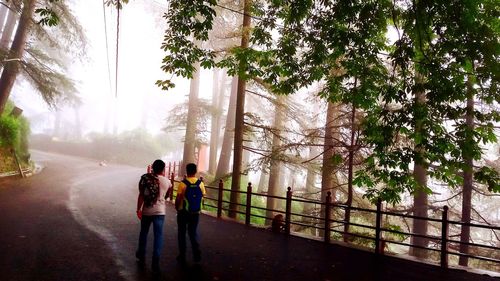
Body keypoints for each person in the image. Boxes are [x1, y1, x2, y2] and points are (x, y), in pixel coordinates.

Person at [135, 159, 172, 271]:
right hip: (160, 212)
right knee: (158, 236)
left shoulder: (146, 179)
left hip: (147, 211)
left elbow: (141, 195)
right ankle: (155, 261)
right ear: (163, 169)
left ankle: (141, 254)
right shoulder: (167, 181)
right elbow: (167, 196)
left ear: (152, 168)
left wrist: (138, 209)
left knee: (144, 233)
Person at [175, 163, 206, 263]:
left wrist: (177, 208)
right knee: (193, 233)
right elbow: (203, 197)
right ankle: (197, 255)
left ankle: (182, 255)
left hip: (183, 212)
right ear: (195, 171)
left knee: (182, 233)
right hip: (195, 212)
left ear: (186, 171)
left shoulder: (183, 184)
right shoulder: (200, 183)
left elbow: (179, 198)